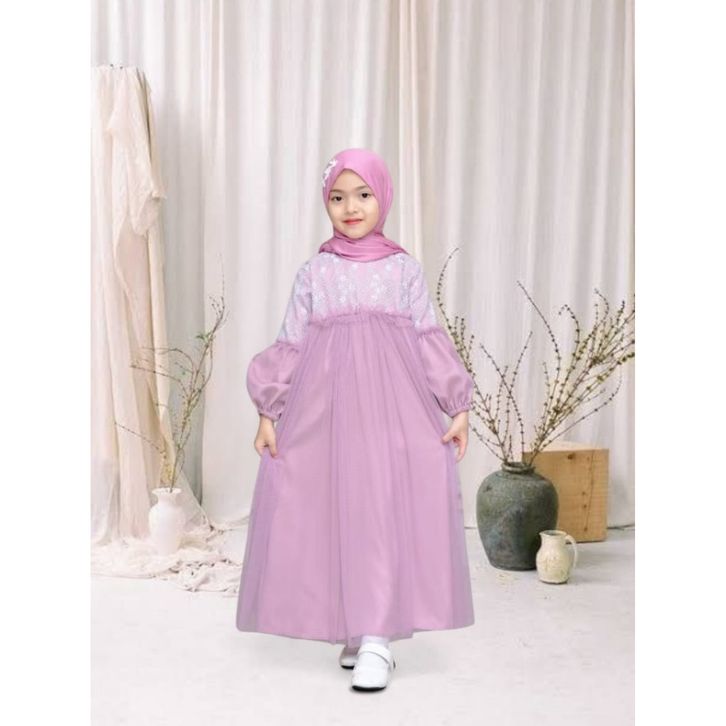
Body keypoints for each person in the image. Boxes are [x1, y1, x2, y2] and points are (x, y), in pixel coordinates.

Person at [236, 148, 475, 692]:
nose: (351, 207)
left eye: (363, 194)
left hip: (393, 416)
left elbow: (428, 337)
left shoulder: (403, 270)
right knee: (334, 510)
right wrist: (269, 411)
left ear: (383, 197)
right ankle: (357, 623)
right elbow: (291, 342)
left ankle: (377, 639)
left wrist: (456, 404)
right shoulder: (315, 273)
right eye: (338, 198)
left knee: (382, 510)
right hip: (327, 416)